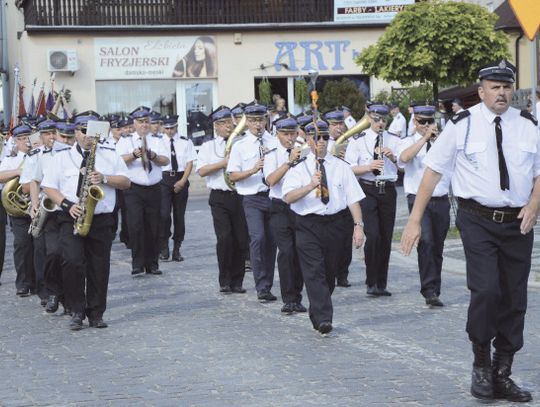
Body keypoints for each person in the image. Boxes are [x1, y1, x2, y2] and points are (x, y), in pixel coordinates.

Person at [401, 59, 537, 402]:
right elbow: (432, 172)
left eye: (506, 86)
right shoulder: (462, 125)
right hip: (477, 220)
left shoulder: (528, 124)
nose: (502, 93)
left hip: (518, 221)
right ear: (481, 91)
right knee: (487, 291)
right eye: (495, 87)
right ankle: (480, 363)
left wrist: (534, 205)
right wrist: (415, 220)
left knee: (514, 298)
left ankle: (502, 372)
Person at [42, 112, 130, 330]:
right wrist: (66, 205)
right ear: (76, 132)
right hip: (71, 215)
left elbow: (126, 182)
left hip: (101, 218)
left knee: (99, 267)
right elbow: (49, 186)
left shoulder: (109, 154)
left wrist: (105, 178)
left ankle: (96, 313)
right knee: (71, 262)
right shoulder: (61, 157)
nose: (88, 136)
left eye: (92, 132)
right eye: (83, 131)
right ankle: (76, 310)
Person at [282, 120, 365, 334]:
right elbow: (289, 197)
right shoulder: (299, 167)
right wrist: (309, 185)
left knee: (329, 273)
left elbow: (353, 198)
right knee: (314, 272)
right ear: (308, 139)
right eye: (316, 137)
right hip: (308, 224)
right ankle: (323, 318)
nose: (321, 142)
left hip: (336, 224)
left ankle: (318, 306)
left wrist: (358, 226)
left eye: (325, 137)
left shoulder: (341, 166)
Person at [344, 103, 400, 297]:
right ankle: (371, 280)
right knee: (373, 235)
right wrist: (368, 167)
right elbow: (349, 168)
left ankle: (381, 283)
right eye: (377, 120)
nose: (381, 123)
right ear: (369, 118)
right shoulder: (358, 140)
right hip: (368, 190)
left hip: (388, 190)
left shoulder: (394, 139)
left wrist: (393, 157)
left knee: (385, 237)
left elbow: (403, 165)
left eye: (384, 120)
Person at [397, 105, 450, 307]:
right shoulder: (407, 141)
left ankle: (435, 288)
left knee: (438, 245)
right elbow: (404, 158)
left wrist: (436, 140)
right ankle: (428, 290)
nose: (426, 125)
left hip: (441, 198)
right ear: (414, 122)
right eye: (421, 122)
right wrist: (424, 139)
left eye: (429, 122)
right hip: (418, 199)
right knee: (426, 241)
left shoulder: (443, 141)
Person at [226, 102, 278, 302]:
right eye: (254, 120)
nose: (258, 124)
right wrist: (252, 170)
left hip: (272, 196)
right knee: (258, 238)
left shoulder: (273, 141)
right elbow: (232, 175)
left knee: (271, 243)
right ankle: (261, 285)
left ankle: (268, 285)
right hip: (252, 198)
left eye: (261, 120)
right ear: (247, 122)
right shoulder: (240, 145)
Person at [196, 106, 249, 293]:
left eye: (229, 122)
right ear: (215, 126)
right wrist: (223, 163)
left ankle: (238, 281)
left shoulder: (242, 143)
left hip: (240, 195)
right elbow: (201, 171)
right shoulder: (208, 146)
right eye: (223, 123)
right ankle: (224, 280)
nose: (228, 126)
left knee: (241, 239)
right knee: (224, 238)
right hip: (220, 197)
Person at [115, 106, 170, 276]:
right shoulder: (125, 140)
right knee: (136, 226)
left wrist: (152, 156)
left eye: (146, 121)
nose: (144, 125)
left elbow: (165, 160)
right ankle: (137, 263)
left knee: (154, 226)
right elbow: (118, 161)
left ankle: (152, 264)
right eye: (140, 122)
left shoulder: (157, 139)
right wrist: (133, 155)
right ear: (134, 123)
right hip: (134, 188)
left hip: (153, 187)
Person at [263, 116, 306, 314]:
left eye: (292, 133)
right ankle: (288, 298)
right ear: (277, 134)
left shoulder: (304, 152)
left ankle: (297, 296)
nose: (289, 138)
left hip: (300, 206)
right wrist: (289, 162)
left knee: (300, 252)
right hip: (280, 206)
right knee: (286, 251)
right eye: (285, 134)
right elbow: (270, 180)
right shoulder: (272, 155)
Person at [0, 124, 34, 297]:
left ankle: (39, 283)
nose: (25, 142)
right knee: (22, 245)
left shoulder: (38, 155)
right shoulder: (11, 159)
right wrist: (18, 171)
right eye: (21, 139)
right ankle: (23, 282)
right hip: (18, 209)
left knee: (40, 246)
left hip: (36, 206)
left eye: (28, 137)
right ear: (15, 141)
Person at [159, 114, 196, 262]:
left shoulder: (185, 142)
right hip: (164, 178)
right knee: (164, 215)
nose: (169, 131)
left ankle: (177, 248)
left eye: (172, 128)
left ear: (176, 126)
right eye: (166, 128)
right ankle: (164, 247)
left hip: (181, 177)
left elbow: (189, 162)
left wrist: (182, 181)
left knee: (179, 216)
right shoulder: (158, 142)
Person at [324, 109, 352, 287]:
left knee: (346, 238)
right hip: (329, 193)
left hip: (345, 193)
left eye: (340, 124)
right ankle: (331, 271)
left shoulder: (350, 142)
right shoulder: (322, 143)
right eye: (334, 125)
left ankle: (343, 273)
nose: (338, 128)